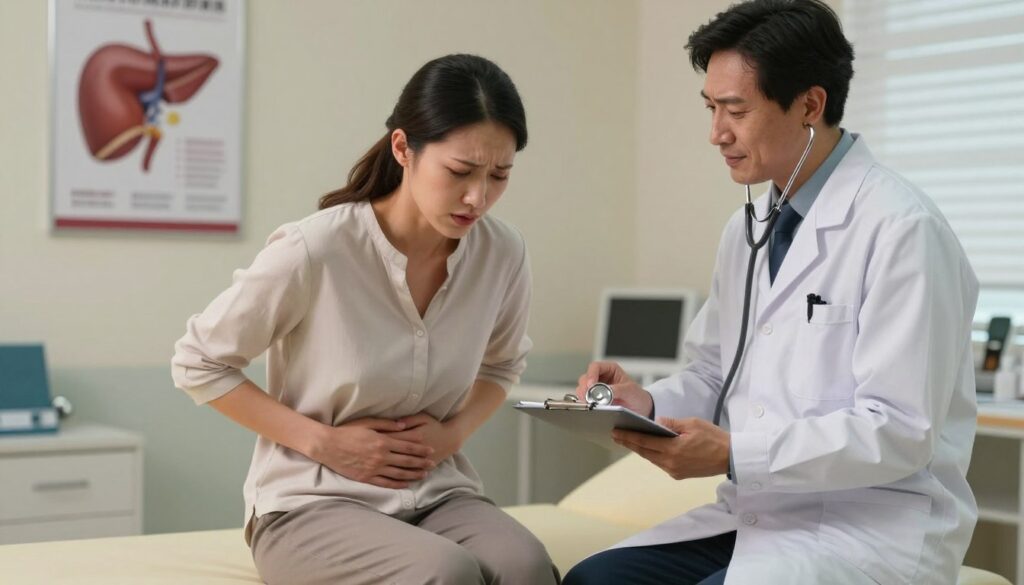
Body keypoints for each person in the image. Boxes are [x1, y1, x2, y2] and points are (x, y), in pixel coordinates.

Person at [563, 2, 978, 584]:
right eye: (711, 108)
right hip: (760, 516)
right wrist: (647, 406)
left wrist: (735, 453)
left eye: (736, 110)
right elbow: (716, 373)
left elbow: (900, 429)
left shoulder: (903, 229)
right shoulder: (748, 230)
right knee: (594, 580)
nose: (717, 133)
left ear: (810, 105)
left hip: (870, 529)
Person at [171, 53, 558, 585]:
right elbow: (198, 362)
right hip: (310, 503)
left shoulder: (502, 253)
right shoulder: (317, 248)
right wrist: (324, 444)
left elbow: (502, 365)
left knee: (525, 567)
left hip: (435, 494)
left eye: (499, 175)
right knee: (445, 572)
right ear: (403, 148)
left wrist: (451, 436)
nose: (478, 197)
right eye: (460, 172)